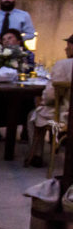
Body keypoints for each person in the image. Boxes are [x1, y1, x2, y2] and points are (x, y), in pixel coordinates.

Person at [26, 33, 73, 167]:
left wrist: (43, 101)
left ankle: (36, 155)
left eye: (68, 45)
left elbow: (51, 95)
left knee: (33, 114)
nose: (65, 49)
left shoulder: (64, 65)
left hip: (66, 117)